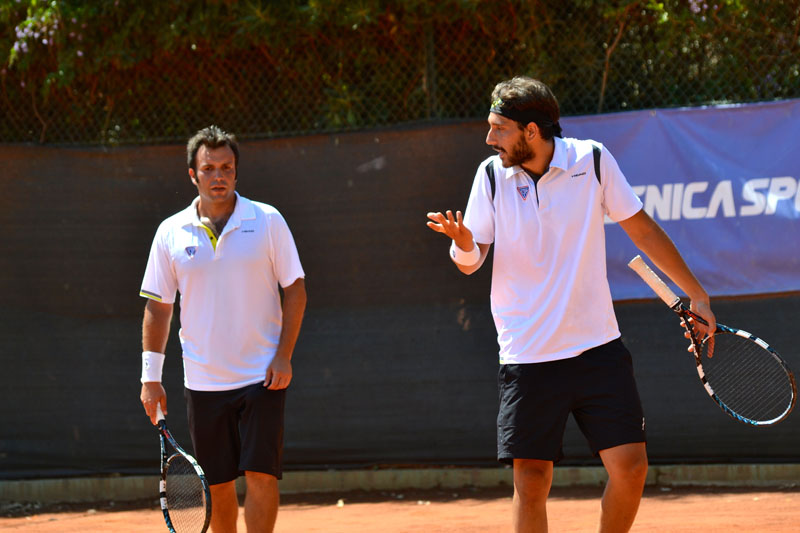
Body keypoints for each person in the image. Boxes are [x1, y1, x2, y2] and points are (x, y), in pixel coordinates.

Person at [426, 76, 716, 533]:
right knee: (531, 480)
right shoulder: (491, 175)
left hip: (597, 348)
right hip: (528, 355)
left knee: (631, 469)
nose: (489, 138)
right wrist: (463, 243)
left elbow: (641, 229)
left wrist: (696, 293)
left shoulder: (592, 160)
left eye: (499, 128)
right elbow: (470, 261)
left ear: (532, 131)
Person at [138, 125, 307, 532]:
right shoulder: (170, 232)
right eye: (209, 168)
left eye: (226, 168)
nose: (218, 176)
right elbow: (158, 307)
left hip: (263, 376)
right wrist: (150, 378)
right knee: (218, 486)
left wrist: (283, 355)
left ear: (236, 172)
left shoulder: (267, 221)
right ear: (192, 175)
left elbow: (296, 290)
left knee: (262, 475)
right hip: (203, 381)